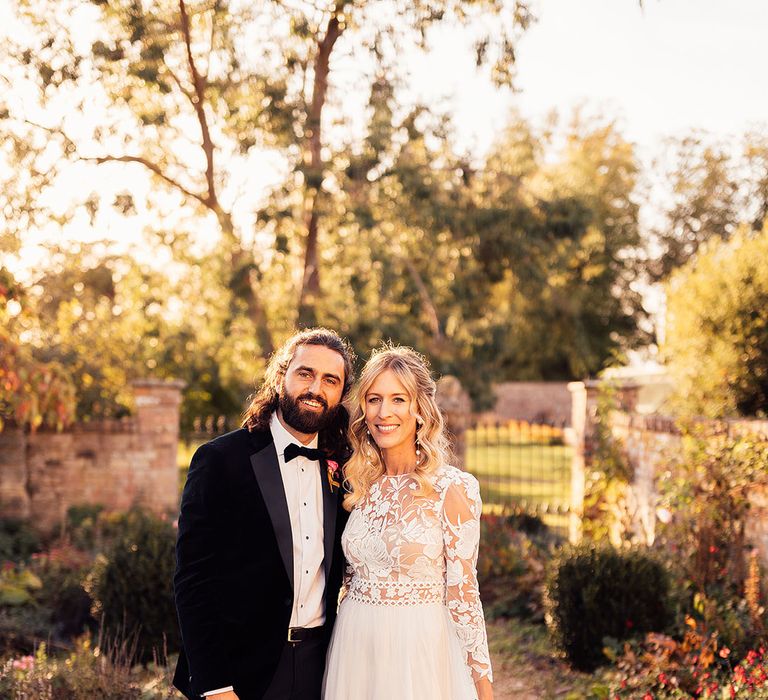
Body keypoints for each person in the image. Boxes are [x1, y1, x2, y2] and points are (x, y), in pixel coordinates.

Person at [173, 328, 355, 700]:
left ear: (340, 394)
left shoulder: (346, 467)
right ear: (280, 376)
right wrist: (216, 686)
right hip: (239, 673)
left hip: (320, 667)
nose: (315, 388)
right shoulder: (220, 460)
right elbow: (193, 580)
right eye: (305, 373)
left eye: (329, 380)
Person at [323, 345, 493, 700]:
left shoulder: (452, 488)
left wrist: (482, 690)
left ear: (420, 409)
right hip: (355, 649)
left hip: (419, 653)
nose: (384, 412)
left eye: (398, 399)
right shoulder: (356, 484)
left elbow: (464, 597)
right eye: (373, 399)